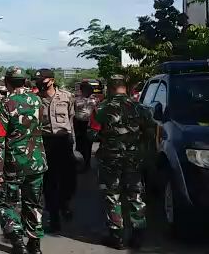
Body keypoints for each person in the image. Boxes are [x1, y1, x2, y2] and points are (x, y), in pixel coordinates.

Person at [89, 75, 154, 250]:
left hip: (110, 159)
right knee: (135, 194)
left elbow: (92, 135)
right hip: (134, 158)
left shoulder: (101, 109)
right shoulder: (141, 108)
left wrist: (107, 137)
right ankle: (138, 235)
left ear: (109, 88)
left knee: (112, 196)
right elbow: (150, 133)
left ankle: (116, 237)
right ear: (126, 88)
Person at [0, 67, 46, 254]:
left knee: (7, 203)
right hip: (36, 162)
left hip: (13, 165)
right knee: (34, 203)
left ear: (7, 82)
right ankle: (35, 245)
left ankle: (18, 243)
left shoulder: (5, 104)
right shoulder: (38, 101)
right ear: (24, 81)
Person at [34, 68, 76, 233]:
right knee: (48, 182)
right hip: (45, 142)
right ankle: (54, 217)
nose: (39, 84)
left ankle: (64, 203)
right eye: (37, 81)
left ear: (51, 80)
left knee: (68, 179)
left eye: (42, 80)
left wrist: (72, 140)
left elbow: (71, 118)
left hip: (63, 141)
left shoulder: (66, 97)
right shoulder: (36, 100)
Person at [74, 81, 98, 171]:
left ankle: (87, 164)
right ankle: (83, 161)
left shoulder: (94, 99)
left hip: (88, 124)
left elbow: (97, 111)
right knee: (79, 145)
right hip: (78, 123)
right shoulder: (77, 99)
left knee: (87, 145)